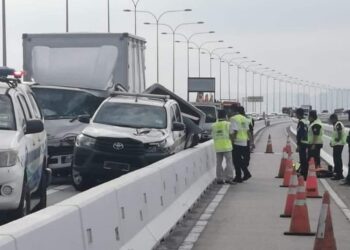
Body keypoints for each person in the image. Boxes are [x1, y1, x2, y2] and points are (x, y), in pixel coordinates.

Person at [211, 109, 235, 185]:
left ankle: (219, 179)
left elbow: (213, 136)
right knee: (229, 163)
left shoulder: (213, 125)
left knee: (218, 163)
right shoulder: (228, 124)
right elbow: (231, 134)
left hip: (218, 147)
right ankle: (229, 178)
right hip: (227, 146)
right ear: (225, 116)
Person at [230, 106, 252, 182]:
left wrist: (232, 142)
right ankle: (242, 175)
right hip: (245, 141)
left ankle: (241, 175)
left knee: (236, 161)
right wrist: (251, 142)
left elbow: (235, 131)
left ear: (235, 111)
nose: (230, 112)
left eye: (231, 111)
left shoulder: (233, 119)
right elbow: (248, 131)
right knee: (240, 160)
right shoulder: (244, 118)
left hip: (237, 141)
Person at [329, 114, 346, 180]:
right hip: (337, 144)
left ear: (334, 119)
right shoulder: (336, 124)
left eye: (331, 119)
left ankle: (339, 174)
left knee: (337, 159)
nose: (331, 121)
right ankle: (338, 173)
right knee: (337, 158)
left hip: (339, 144)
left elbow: (339, 133)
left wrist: (338, 139)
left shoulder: (338, 124)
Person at [296, 108, 309, 180]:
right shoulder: (306, 121)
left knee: (302, 159)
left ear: (298, 114)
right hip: (308, 142)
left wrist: (298, 144)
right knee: (305, 159)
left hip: (302, 143)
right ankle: (303, 172)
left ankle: (304, 174)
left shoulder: (301, 122)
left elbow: (299, 134)